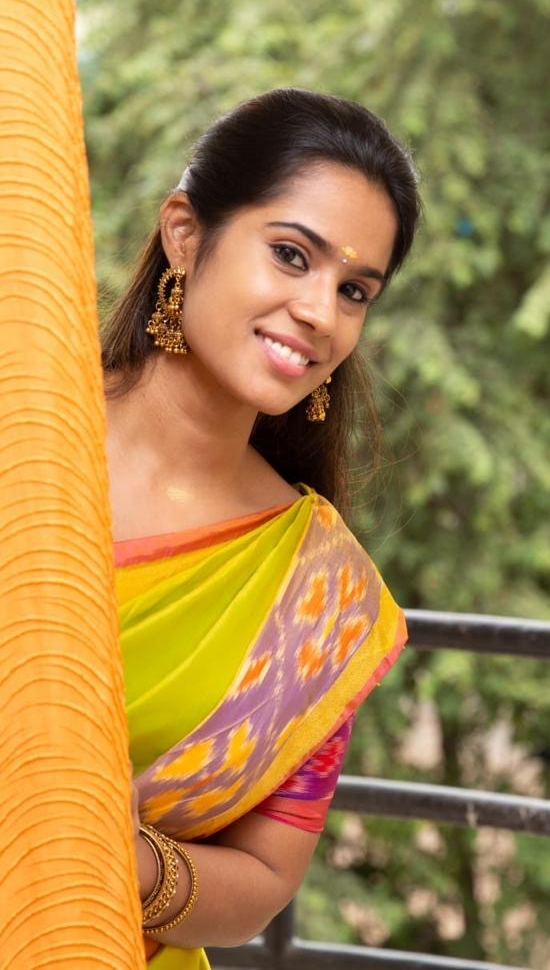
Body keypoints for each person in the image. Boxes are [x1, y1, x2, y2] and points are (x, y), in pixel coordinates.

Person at [102, 87, 420, 967]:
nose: (321, 312)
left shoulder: (319, 595)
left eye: (354, 290)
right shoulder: (26, 425)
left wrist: (118, 858)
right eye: (290, 255)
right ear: (184, 234)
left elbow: (266, 876)